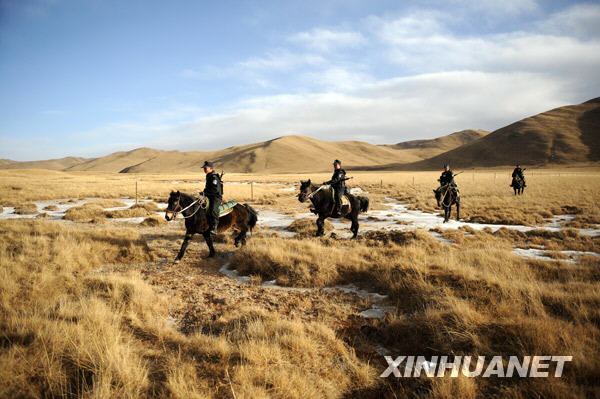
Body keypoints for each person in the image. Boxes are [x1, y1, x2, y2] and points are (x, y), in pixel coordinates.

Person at [202, 161, 223, 235]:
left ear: (210, 168)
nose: (204, 169)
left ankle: (215, 227)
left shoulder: (214, 177)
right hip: (209, 196)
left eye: (205, 168)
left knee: (213, 210)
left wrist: (205, 193)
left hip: (216, 197)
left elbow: (215, 190)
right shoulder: (209, 176)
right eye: (204, 168)